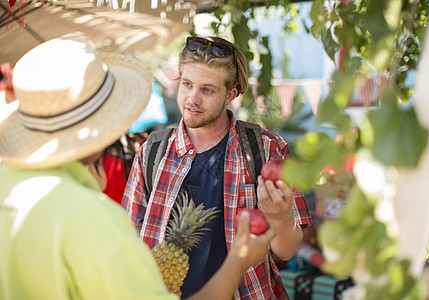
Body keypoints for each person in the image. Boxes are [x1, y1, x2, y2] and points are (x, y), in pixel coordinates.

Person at [0, 35, 276, 300]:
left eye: (207, 89)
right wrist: (239, 259)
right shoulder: (94, 218)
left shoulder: (7, 186)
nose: (193, 98)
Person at [122, 36, 312, 299]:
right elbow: (129, 242)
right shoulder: (153, 151)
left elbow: (286, 251)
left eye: (207, 90)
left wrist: (280, 217)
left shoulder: (265, 149)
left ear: (230, 95)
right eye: (187, 84)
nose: (192, 99)